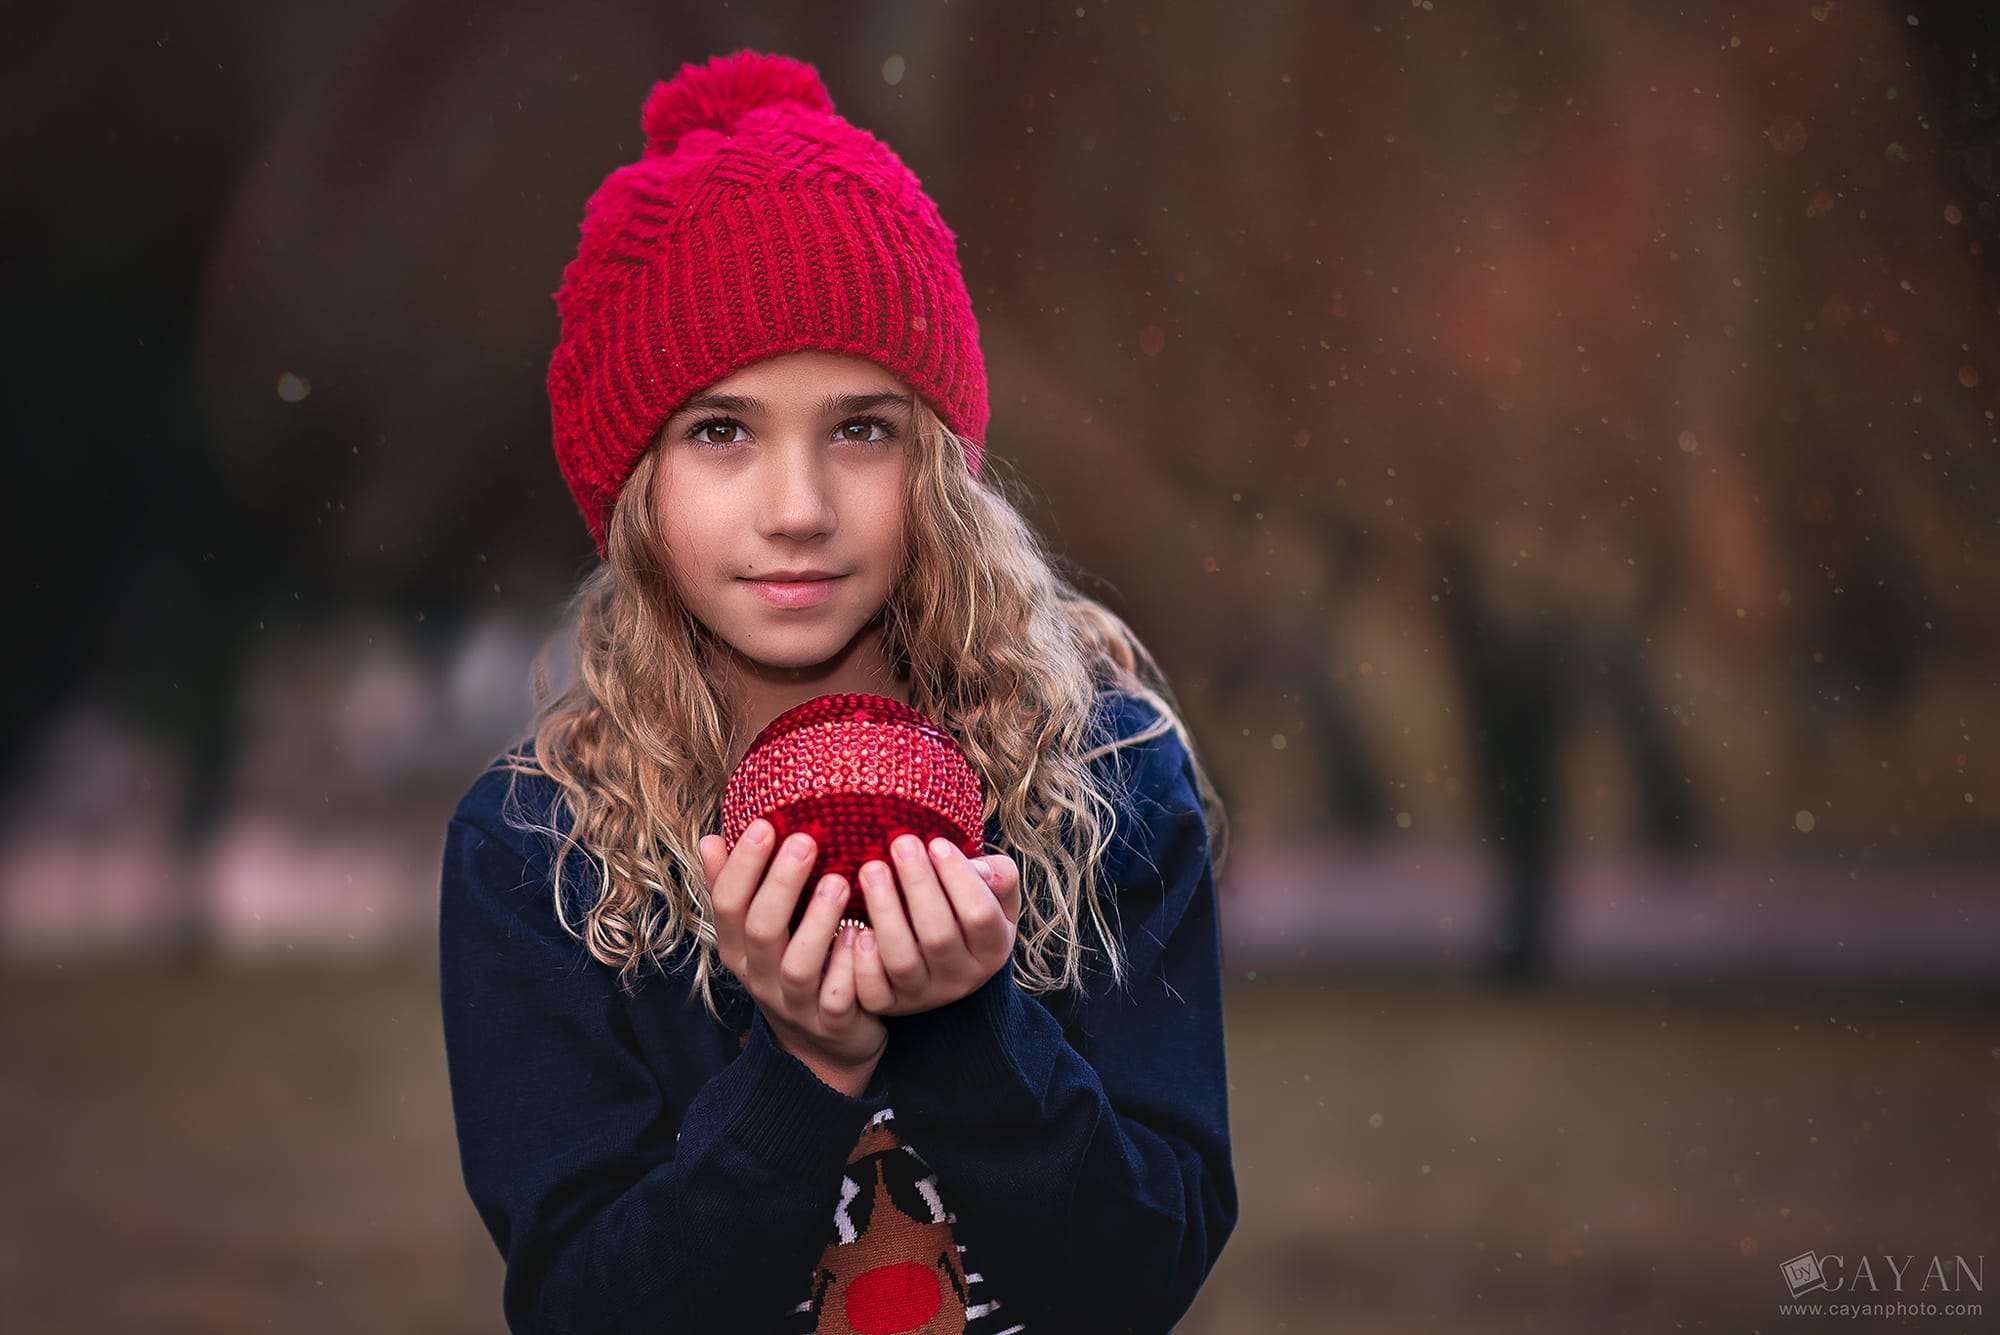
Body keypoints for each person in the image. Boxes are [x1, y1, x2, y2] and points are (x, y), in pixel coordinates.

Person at [438, 48, 1237, 1335]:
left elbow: (1137, 1277)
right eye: (720, 430)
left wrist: (969, 1029)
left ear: (940, 463)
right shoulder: (537, 854)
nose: (796, 510)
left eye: (861, 428)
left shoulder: (1108, 776)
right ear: (631, 484)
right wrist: (802, 1072)